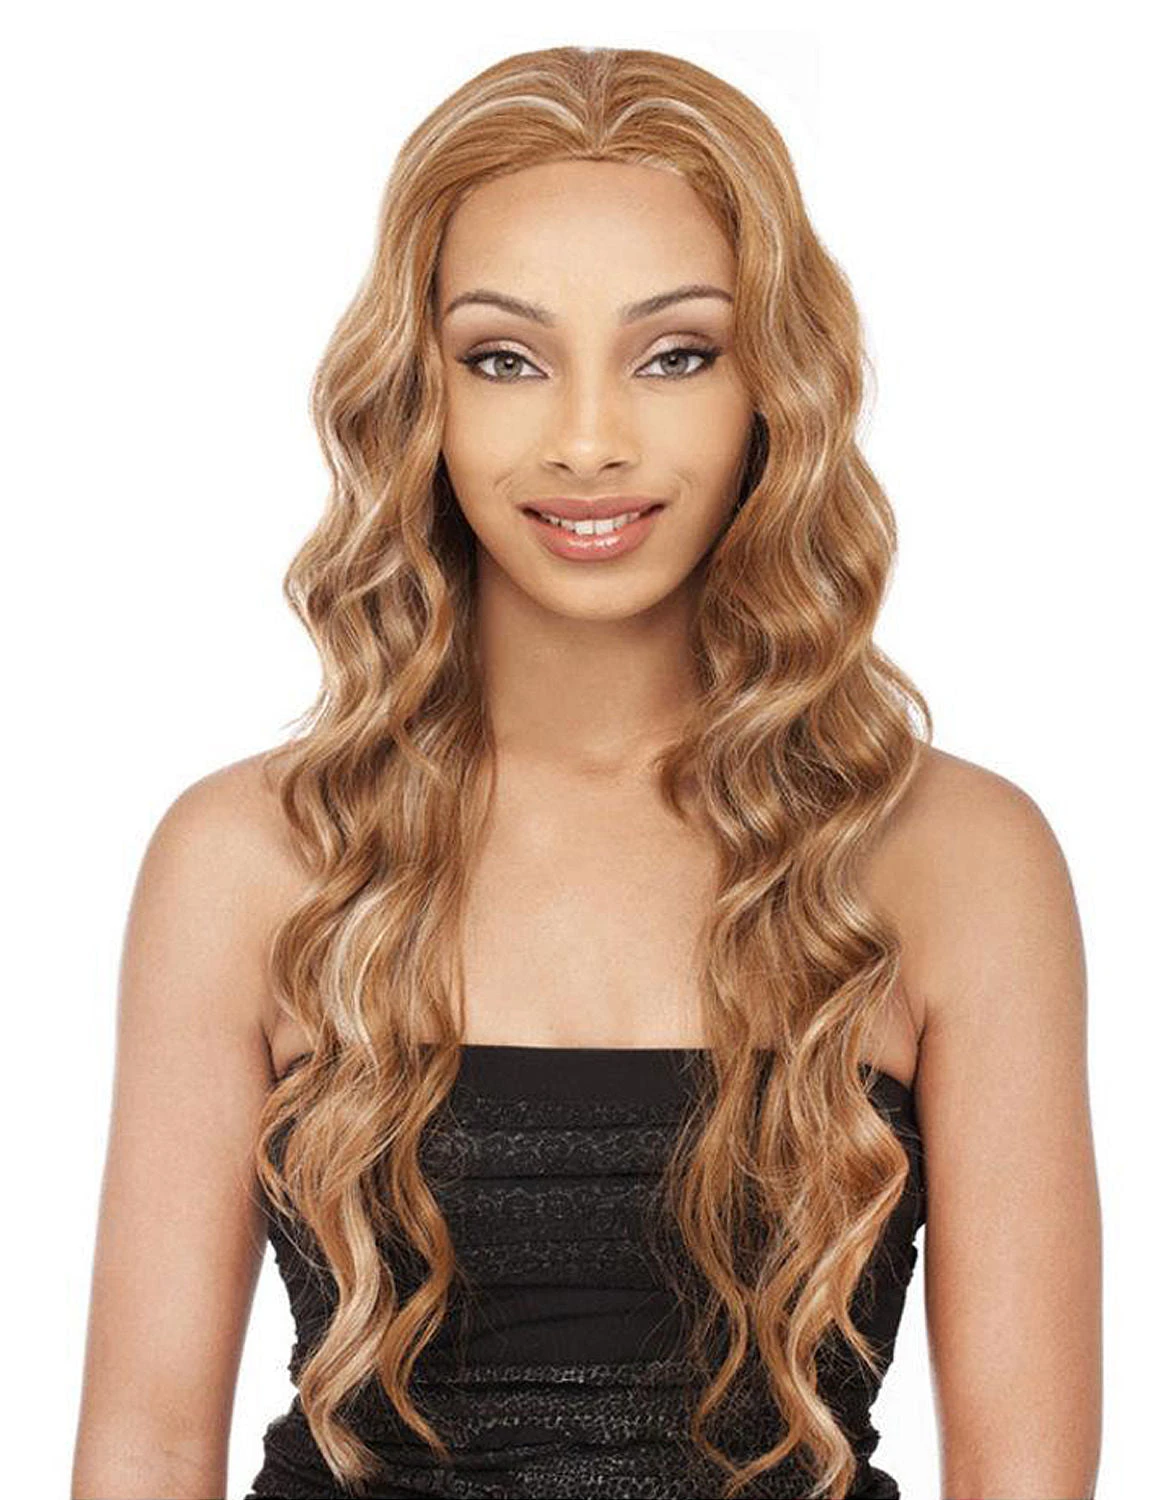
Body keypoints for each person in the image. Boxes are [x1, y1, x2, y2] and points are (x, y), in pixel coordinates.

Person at [70, 44, 1102, 1500]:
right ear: (417, 393)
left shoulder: (956, 860)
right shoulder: (250, 857)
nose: (590, 441)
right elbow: (146, 1446)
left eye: (675, 354)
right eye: (506, 358)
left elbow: (1024, 1477)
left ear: (774, 386)